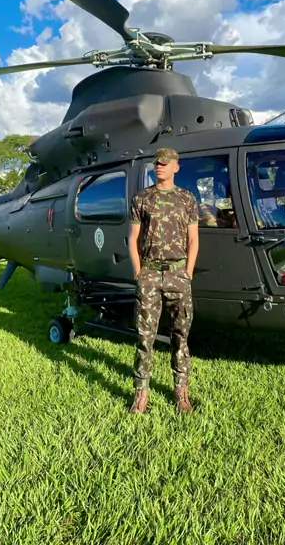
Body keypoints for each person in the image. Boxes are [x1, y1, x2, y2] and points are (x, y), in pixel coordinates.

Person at [128, 147, 199, 413]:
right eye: (157, 163)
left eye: (165, 163)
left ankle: (181, 392)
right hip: (149, 275)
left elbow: (193, 239)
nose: (159, 166)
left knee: (180, 336)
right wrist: (138, 272)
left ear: (175, 167)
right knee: (144, 337)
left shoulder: (187, 198)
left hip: (178, 275)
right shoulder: (142, 198)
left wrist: (188, 273)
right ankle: (141, 394)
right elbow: (133, 239)